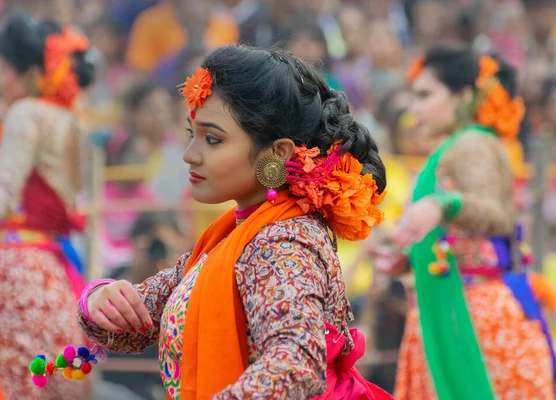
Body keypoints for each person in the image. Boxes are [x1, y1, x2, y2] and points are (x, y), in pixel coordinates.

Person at [79, 44, 393, 400]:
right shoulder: (238, 233)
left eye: (213, 140)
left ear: (277, 153)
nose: (189, 155)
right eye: (191, 134)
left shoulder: (283, 242)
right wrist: (100, 298)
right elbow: (136, 321)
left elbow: (294, 367)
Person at [376, 45, 555, 399]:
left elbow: (495, 212)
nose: (414, 109)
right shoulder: (453, 148)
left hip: (476, 320)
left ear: (463, 95)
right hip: (454, 309)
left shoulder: (471, 142)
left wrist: (444, 205)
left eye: (425, 95)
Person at [0, 12, 95, 399]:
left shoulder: (24, 113)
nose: (0, 82)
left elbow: (2, 195)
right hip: (56, 273)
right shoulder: (72, 120)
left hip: (15, 276)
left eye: (6, 71)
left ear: (34, 72)